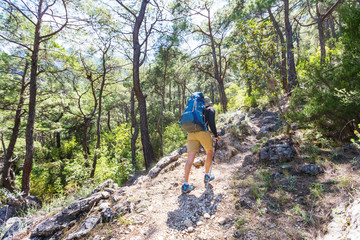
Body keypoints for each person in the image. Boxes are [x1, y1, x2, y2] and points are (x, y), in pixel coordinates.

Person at [182, 96, 221, 194]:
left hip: (191, 133)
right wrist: (215, 135)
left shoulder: (194, 110)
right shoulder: (210, 109)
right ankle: (207, 175)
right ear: (209, 103)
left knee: (190, 158)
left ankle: (185, 184)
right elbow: (211, 122)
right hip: (203, 132)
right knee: (209, 152)